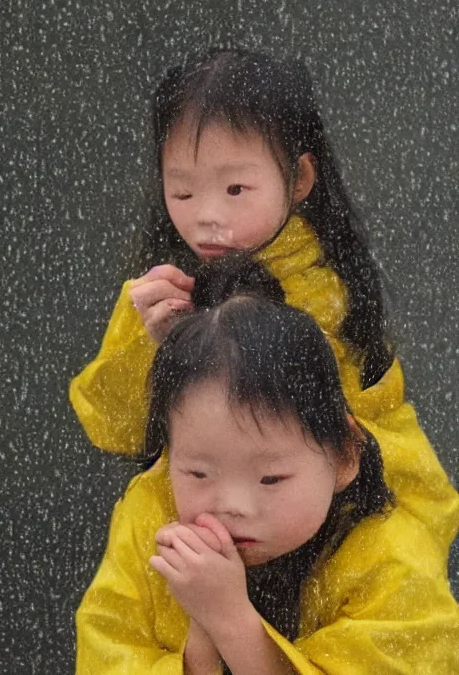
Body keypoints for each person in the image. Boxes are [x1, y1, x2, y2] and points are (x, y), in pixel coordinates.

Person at [69, 48, 458, 558]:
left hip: (329, 522)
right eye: (181, 192)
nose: (206, 215)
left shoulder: (319, 296)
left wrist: (204, 350)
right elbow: (116, 430)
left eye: (235, 188)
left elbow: (300, 451)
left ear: (298, 179)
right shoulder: (162, 290)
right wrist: (151, 346)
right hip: (209, 508)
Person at [75, 258, 459, 674]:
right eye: (198, 473)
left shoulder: (395, 559)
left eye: (270, 477)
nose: (232, 505)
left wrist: (229, 621)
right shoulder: (149, 522)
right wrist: (201, 642)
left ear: (344, 455)